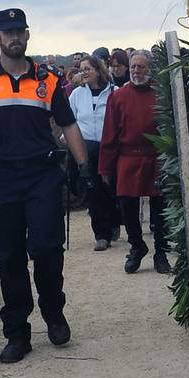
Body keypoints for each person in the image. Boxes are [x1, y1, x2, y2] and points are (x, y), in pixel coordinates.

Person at [0, 8, 92, 364]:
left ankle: (53, 312)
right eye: (7, 32)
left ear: (27, 35)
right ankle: (17, 332)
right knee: (8, 256)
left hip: (41, 174)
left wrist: (84, 167)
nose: (15, 37)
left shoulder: (49, 80)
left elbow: (69, 124)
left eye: (20, 31)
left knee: (47, 248)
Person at [99, 50, 170, 274]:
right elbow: (109, 133)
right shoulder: (118, 97)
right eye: (133, 67)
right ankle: (137, 246)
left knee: (160, 209)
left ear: (150, 68)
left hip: (156, 156)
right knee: (127, 206)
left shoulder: (162, 94)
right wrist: (105, 167)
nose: (136, 71)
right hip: (128, 156)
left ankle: (161, 252)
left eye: (141, 67)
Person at [69, 54, 119, 251]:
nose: (84, 73)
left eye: (88, 69)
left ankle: (115, 220)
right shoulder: (76, 95)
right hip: (86, 148)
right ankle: (101, 234)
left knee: (111, 189)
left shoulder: (115, 93)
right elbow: (70, 120)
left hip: (109, 147)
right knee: (93, 191)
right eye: (81, 69)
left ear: (98, 70)